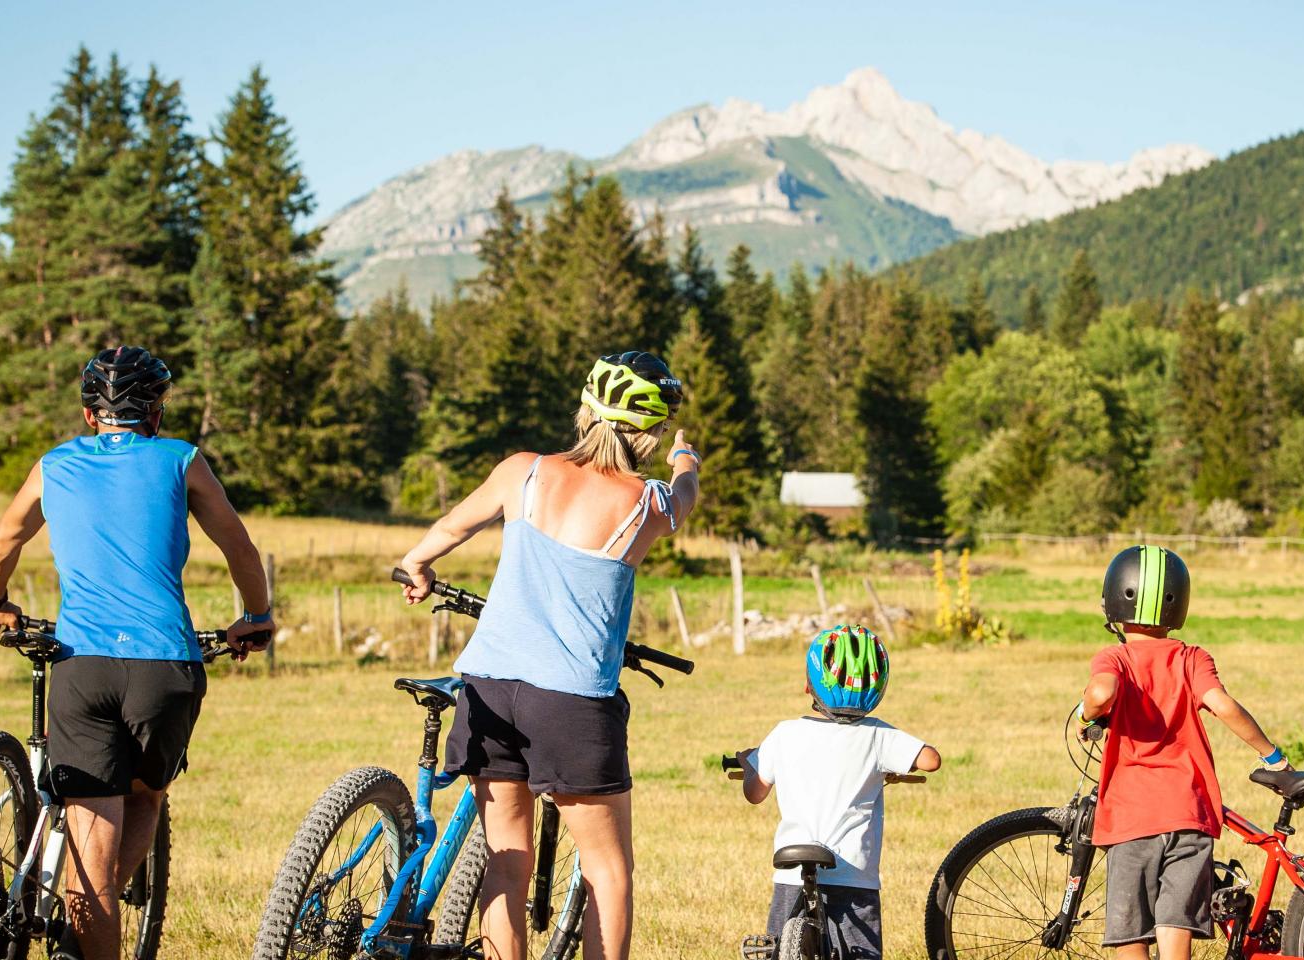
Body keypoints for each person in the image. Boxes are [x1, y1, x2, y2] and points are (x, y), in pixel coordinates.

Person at [0, 346, 275, 960]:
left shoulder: (53, 465)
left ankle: (88, 912)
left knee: (91, 849)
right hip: (165, 665)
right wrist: (256, 617)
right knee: (145, 797)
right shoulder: (181, 460)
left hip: (80, 665)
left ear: (90, 415)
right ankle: (96, 911)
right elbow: (240, 548)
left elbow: (6, 538)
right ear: (157, 411)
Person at [397, 351, 699, 960]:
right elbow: (684, 499)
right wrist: (685, 459)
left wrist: (417, 563)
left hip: (487, 687)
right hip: (570, 700)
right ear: (643, 433)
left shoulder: (522, 471)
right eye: (658, 431)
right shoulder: (646, 503)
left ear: (586, 411)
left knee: (505, 861)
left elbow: (454, 526)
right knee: (607, 872)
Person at [1078, 545, 1291, 960]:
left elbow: (1102, 693)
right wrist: (1273, 756)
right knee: (1176, 933)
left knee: (1130, 935)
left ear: (1113, 602)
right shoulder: (1193, 657)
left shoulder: (1115, 657)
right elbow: (1224, 705)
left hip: (1131, 819)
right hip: (1190, 814)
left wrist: (1089, 716)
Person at [735, 624, 943, 960]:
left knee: (778, 948)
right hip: (853, 876)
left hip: (790, 869)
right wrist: (891, 767)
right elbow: (931, 760)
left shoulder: (785, 733)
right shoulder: (878, 736)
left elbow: (755, 793)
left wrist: (749, 764)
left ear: (808, 684)